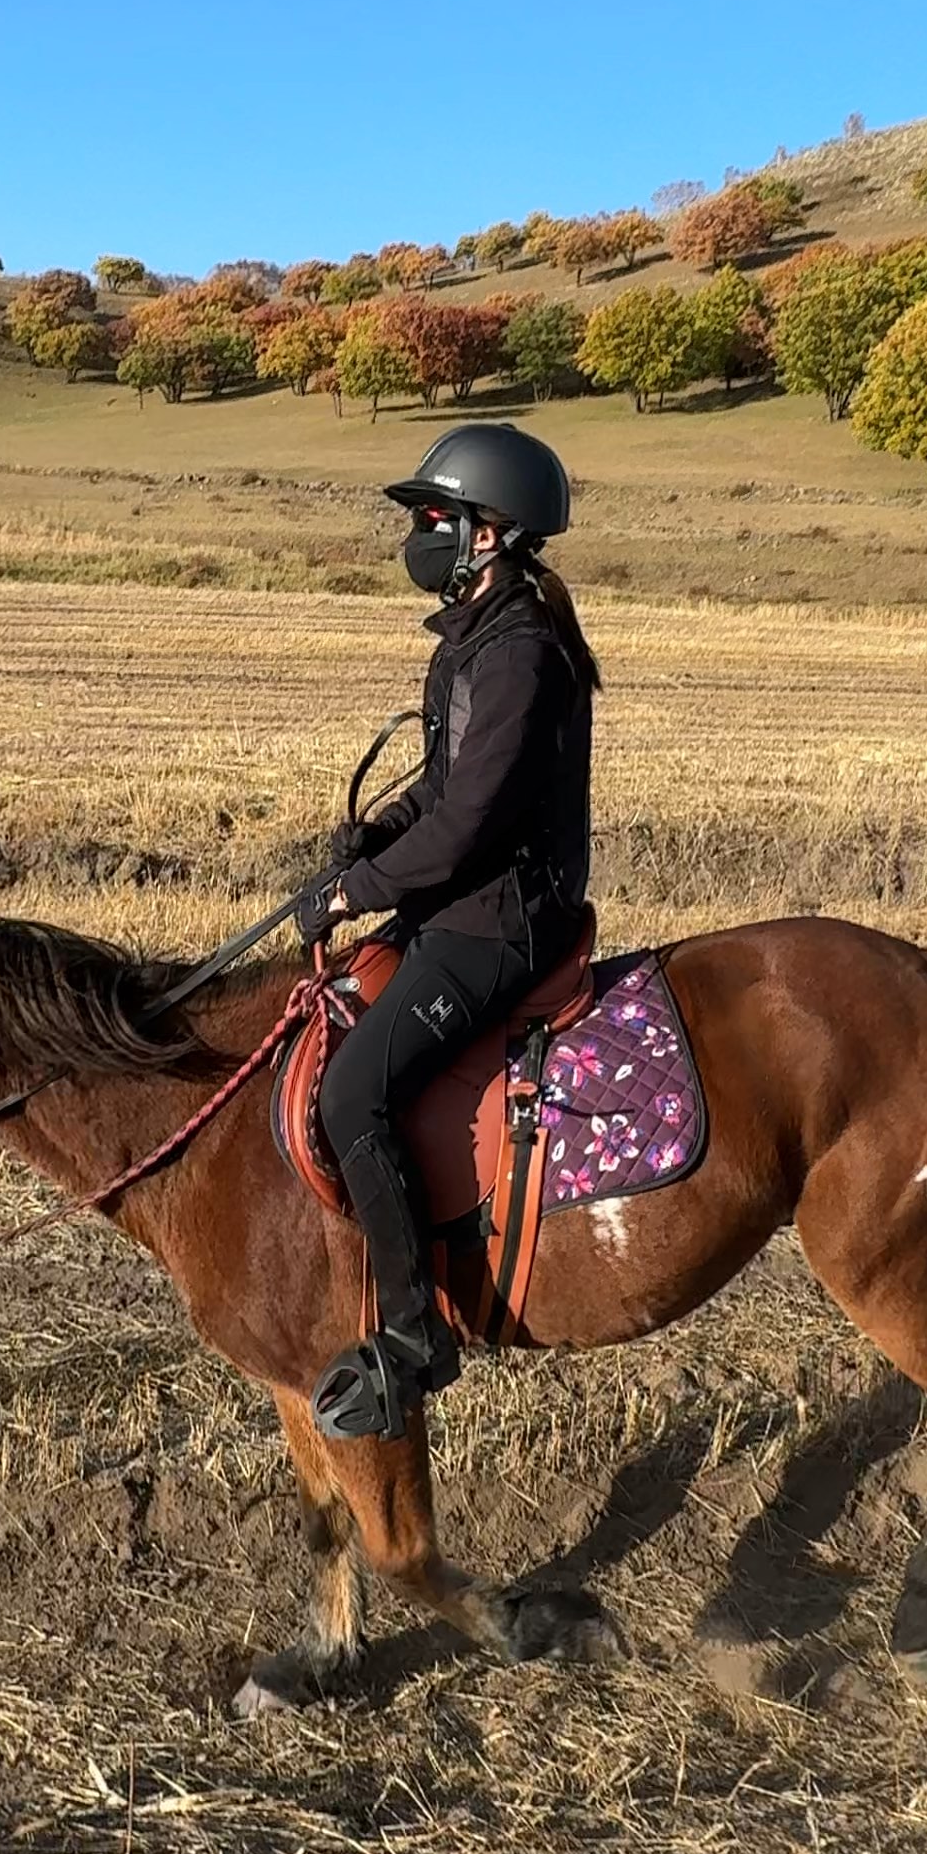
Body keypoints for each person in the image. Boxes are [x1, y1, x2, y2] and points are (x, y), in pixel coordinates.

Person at [297, 421, 600, 1441]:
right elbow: (447, 786)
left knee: (353, 1089)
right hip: (467, 892)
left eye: (437, 515)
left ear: (493, 531)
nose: (421, 533)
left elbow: (472, 825)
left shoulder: (518, 651)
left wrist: (358, 892)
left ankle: (418, 1334)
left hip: (503, 915)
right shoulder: (477, 636)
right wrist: (376, 833)